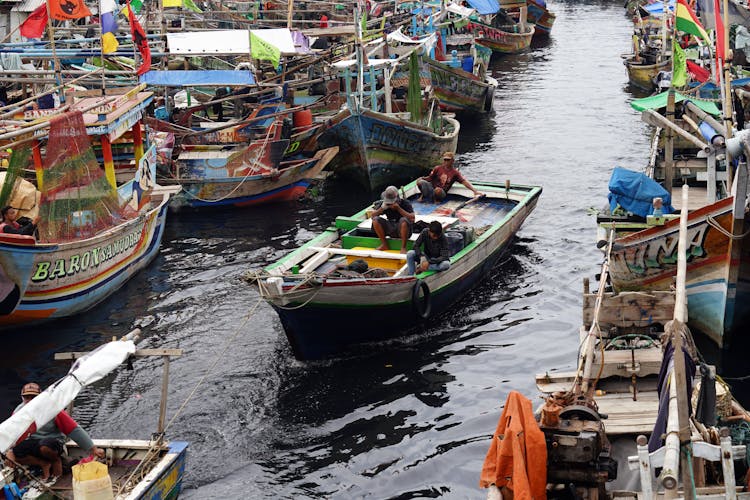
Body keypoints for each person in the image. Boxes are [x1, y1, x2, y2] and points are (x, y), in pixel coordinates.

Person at [4, 383, 105, 480]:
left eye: (33, 397)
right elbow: (11, 434)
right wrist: (10, 451)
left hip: (52, 442)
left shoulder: (52, 409)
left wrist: (93, 449)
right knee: (8, 455)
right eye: (27, 397)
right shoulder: (18, 412)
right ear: (22, 398)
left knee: (45, 446)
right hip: (32, 443)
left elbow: (73, 429)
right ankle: (43, 463)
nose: (30, 400)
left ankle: (56, 463)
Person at [417, 152, 483, 203]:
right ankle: (423, 195)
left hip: (441, 192)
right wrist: (422, 178)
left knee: (438, 190)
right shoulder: (437, 168)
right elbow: (430, 178)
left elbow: (464, 182)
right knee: (420, 182)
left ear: (452, 161)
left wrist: (475, 191)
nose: (446, 162)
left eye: (448, 160)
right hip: (432, 189)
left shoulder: (455, 172)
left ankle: (437, 200)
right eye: (444, 160)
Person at [370, 185, 415, 253]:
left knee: (403, 220)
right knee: (376, 220)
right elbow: (372, 216)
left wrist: (399, 209)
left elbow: (412, 218)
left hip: (403, 229)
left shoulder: (405, 203)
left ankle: (403, 247)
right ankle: (384, 244)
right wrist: (382, 209)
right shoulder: (384, 204)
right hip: (391, 226)